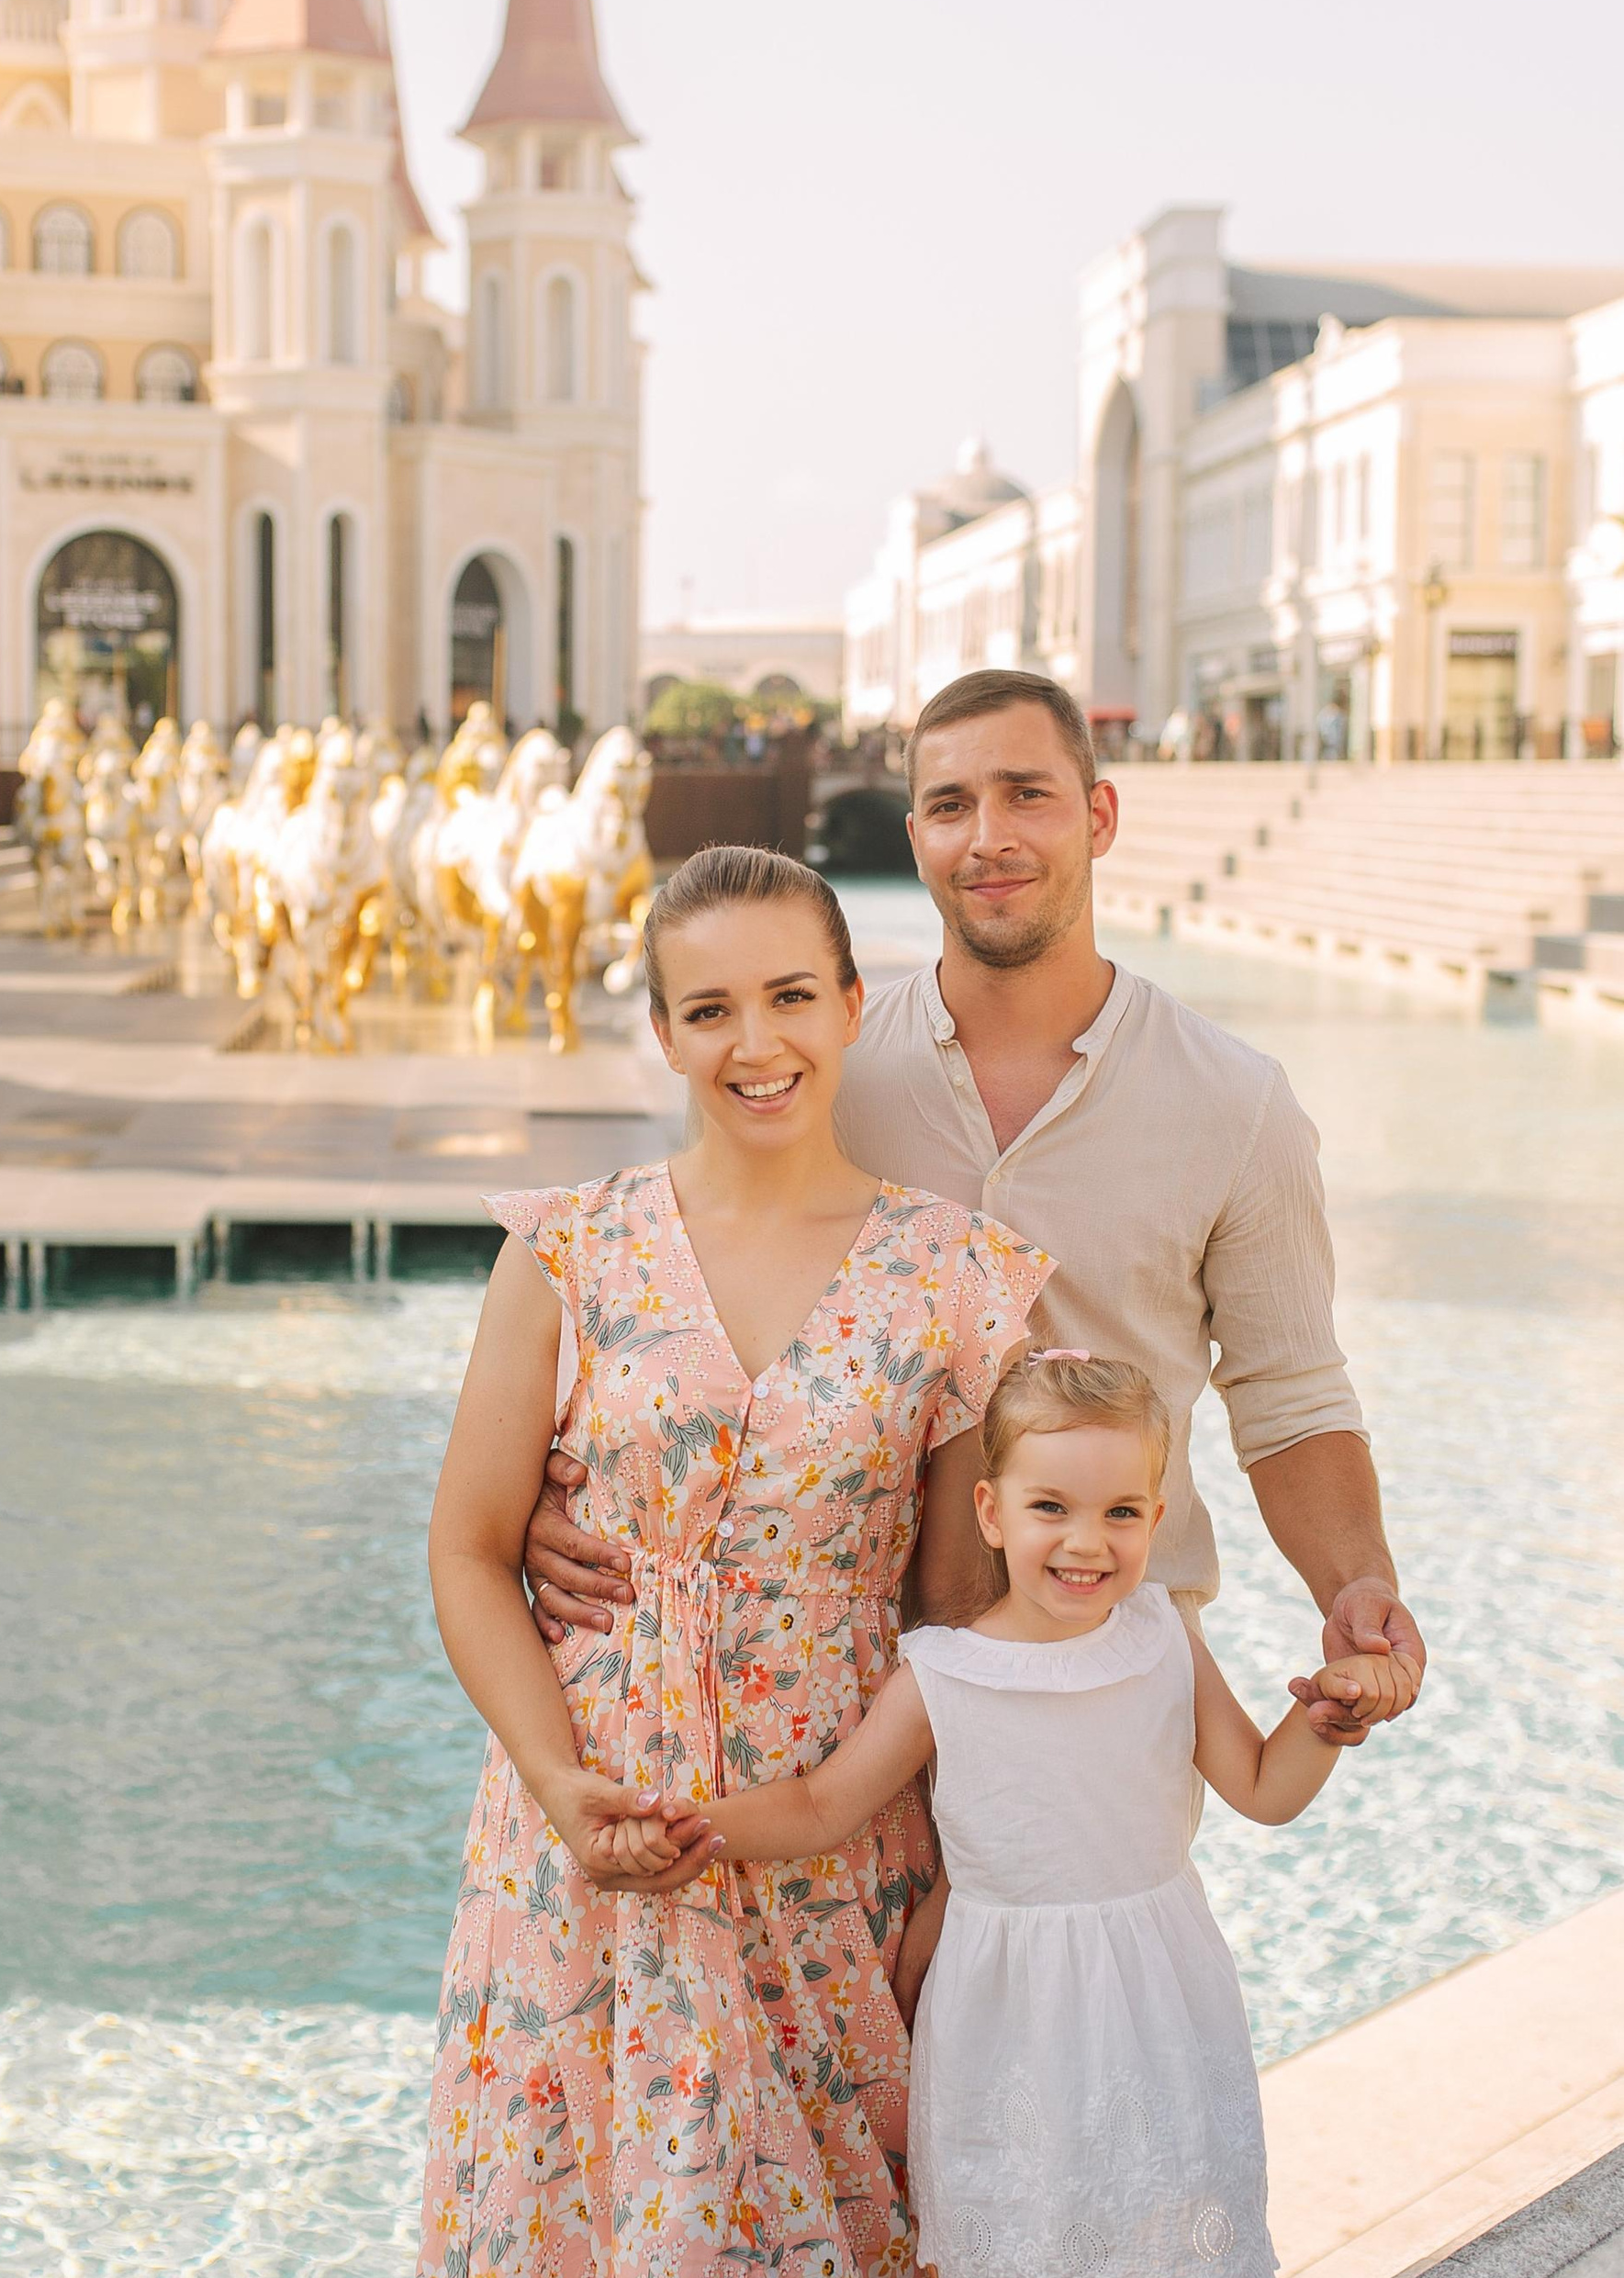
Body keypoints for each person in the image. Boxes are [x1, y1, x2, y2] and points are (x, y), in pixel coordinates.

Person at [526, 668, 1425, 1986]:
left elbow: (1290, 1395)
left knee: (1051, 2076)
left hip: (1092, 1691)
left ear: (1100, 816)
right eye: (950, 803)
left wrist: (1356, 1583)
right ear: (914, 840)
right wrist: (578, 1494)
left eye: (1027, 796)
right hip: (835, 1684)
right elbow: (687, 1293)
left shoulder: (1237, 1105)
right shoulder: (816, 1062)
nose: (988, 835)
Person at [422, 844, 1052, 2278]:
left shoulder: (958, 1277)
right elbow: (465, 1552)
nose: (753, 1045)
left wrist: (969, 1871)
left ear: (849, 1004)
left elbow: (962, 1608)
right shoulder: (566, 1254)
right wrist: (559, 1786)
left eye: (788, 998)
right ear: (661, 1033)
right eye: (708, 1012)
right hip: (583, 1833)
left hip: (835, 1839)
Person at [639, 1351, 1414, 2278]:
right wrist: (687, 1828)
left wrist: (1325, 1714)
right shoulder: (945, 1672)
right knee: (1025, 2230)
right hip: (1010, 2015)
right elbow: (819, 1804)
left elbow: (1263, 1787)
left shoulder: (1163, 1638)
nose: (1087, 1541)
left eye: (1120, 1512)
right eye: (1051, 1506)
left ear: (1154, 1518)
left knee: (1165, 2215)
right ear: (991, 1511)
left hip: (1159, 1996)